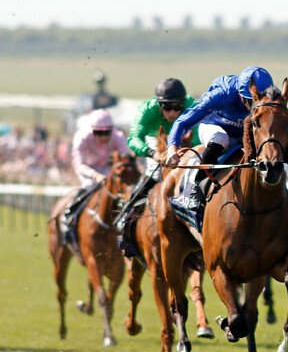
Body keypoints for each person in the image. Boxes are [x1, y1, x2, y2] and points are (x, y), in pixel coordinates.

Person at [164, 66, 275, 210]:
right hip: (214, 127)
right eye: (250, 101)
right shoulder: (222, 93)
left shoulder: (271, 97)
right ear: (240, 94)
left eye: (259, 101)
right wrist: (172, 148)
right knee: (221, 138)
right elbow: (183, 121)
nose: (254, 106)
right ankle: (195, 188)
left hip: (243, 131)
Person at [119, 78, 197, 218]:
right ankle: (129, 215)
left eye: (177, 106)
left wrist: (182, 151)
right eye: (167, 107)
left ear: (183, 104)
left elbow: (198, 138)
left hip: (183, 140)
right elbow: (133, 138)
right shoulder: (147, 110)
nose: (172, 112)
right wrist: (152, 153)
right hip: (156, 138)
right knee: (155, 173)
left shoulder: (192, 106)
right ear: (159, 105)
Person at [63, 109, 132, 237]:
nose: (103, 137)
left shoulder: (118, 136)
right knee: (90, 185)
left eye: (107, 133)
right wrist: (95, 176)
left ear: (112, 130)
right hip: (88, 170)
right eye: (99, 133)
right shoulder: (82, 137)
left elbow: (127, 159)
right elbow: (79, 165)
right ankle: (69, 214)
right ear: (92, 130)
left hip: (107, 168)